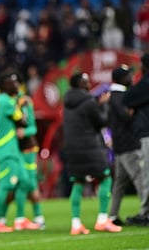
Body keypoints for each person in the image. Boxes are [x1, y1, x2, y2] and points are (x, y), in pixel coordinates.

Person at [63, 72, 121, 235]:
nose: (89, 83)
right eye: (86, 81)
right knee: (105, 177)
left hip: (72, 149)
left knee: (78, 182)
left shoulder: (67, 102)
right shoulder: (89, 101)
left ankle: (76, 224)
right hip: (90, 147)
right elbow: (101, 121)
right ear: (80, 84)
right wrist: (103, 104)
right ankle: (102, 220)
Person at [0, 71, 38, 233]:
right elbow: (22, 120)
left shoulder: (3, 100)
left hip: (12, 148)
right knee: (6, 185)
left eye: (18, 82)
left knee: (24, 181)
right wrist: (22, 105)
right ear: (5, 86)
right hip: (6, 148)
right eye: (13, 83)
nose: (17, 86)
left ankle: (20, 219)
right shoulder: (6, 101)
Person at [108, 65, 143, 225]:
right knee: (140, 178)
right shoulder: (119, 96)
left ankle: (112, 216)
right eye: (129, 75)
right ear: (121, 79)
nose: (132, 78)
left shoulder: (114, 95)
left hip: (121, 144)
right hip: (127, 143)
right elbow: (125, 116)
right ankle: (146, 213)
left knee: (120, 182)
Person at [123, 53, 149, 226]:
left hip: (147, 134)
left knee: (147, 175)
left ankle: (146, 213)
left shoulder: (146, 82)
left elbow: (128, 98)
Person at [16, 91, 45, 228]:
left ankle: (37, 216)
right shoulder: (8, 105)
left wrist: (24, 132)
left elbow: (33, 128)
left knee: (30, 182)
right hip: (16, 151)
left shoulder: (25, 103)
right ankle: (22, 217)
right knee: (22, 183)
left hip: (29, 150)